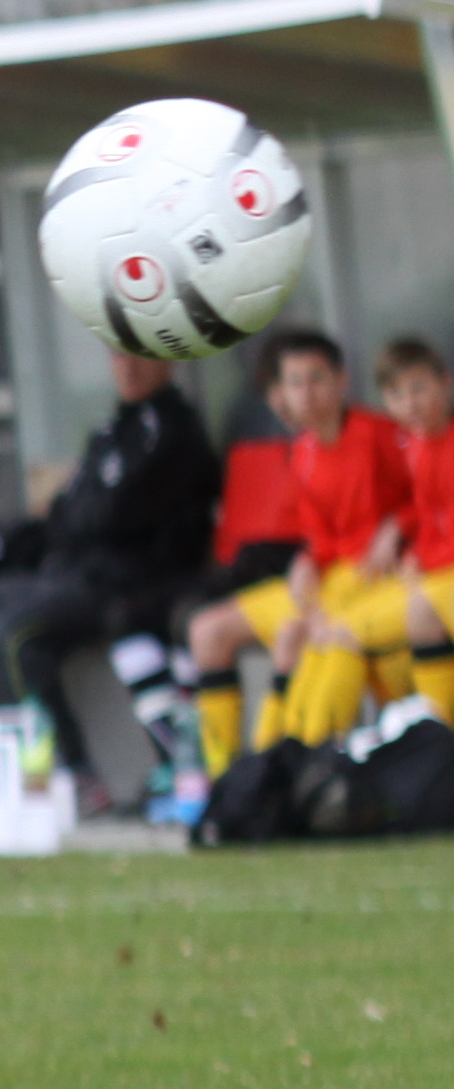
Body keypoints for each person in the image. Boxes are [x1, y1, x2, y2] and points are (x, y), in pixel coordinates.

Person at [0, 345, 217, 807]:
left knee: (11, 638)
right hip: (59, 574)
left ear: (167, 360)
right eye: (117, 356)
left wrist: (81, 516)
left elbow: (113, 517)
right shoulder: (110, 430)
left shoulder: (174, 431)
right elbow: (68, 516)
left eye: (139, 356)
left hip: (119, 586)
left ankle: (70, 778)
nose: (127, 367)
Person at [183, 328, 408, 772]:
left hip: (371, 583)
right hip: (327, 583)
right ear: (281, 393)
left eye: (317, 379)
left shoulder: (379, 434)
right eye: (295, 383)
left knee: (308, 639)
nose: (307, 393)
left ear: (342, 381)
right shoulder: (302, 450)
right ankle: (223, 775)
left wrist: (397, 526)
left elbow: (427, 494)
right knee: (208, 631)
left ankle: (291, 771)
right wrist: (306, 560)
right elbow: (319, 536)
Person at [271, 337, 454, 743]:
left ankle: (426, 747)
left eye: (419, 388)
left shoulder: (385, 437)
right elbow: (421, 514)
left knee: (343, 633)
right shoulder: (412, 445)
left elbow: (420, 513)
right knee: (305, 632)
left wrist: (404, 538)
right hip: (395, 574)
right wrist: (309, 560)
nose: (411, 403)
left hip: (413, 575)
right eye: (397, 395)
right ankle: (286, 750)